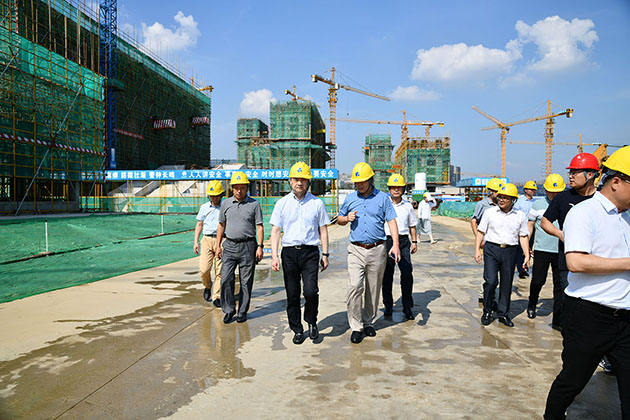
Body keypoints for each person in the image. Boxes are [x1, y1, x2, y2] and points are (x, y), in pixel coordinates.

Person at [543, 146, 630, 420]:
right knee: (573, 380)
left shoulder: (627, 217)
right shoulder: (584, 213)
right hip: (588, 316)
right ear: (616, 182)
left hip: (625, 318)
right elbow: (577, 263)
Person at [338, 162, 401, 344]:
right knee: (355, 286)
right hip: (356, 249)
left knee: (373, 288)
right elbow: (340, 219)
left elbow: (391, 222)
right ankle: (356, 326)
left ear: (370, 179)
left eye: (363, 181)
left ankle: (368, 322)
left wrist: (395, 244)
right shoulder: (350, 198)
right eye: (357, 182)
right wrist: (346, 218)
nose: (360, 185)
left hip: (377, 249)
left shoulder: (382, 198)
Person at [270, 162, 331, 345]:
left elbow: (323, 230)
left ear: (308, 182)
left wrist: (325, 254)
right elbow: (275, 231)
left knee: (311, 291)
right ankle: (296, 329)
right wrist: (274, 256)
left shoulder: (317, 203)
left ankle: (311, 321)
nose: (299, 183)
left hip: (310, 252)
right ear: (290, 181)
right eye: (296, 179)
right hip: (289, 253)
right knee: (293, 293)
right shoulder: (282, 204)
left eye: (303, 180)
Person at [541, 152, 598, 331]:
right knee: (569, 298)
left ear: (590, 175)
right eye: (570, 172)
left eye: (575, 172)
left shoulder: (601, 199)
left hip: (596, 259)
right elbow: (545, 221)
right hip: (567, 260)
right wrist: (560, 234)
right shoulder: (563, 198)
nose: (571, 176)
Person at [474, 183, 530, 327]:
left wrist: (527, 255)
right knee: (491, 281)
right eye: (500, 197)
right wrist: (477, 251)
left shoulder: (520, 216)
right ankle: (487, 311)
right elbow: (480, 232)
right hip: (491, 249)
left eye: (506, 198)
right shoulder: (490, 213)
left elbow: (523, 236)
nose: (502, 200)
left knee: (507, 283)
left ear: (513, 200)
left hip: (511, 251)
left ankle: (503, 314)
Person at [215, 171, 264, 324]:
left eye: (242, 188)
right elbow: (221, 225)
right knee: (226, 278)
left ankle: (242, 312)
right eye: (236, 188)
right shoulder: (226, 204)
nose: (239, 191)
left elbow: (259, 226)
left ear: (246, 188)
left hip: (248, 246)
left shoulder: (254, 204)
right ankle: (229, 310)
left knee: (245, 281)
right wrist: (218, 246)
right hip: (229, 245)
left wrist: (260, 246)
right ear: (232, 188)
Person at [526, 174, 565, 321]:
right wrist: (527, 246)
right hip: (542, 249)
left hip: (560, 250)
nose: (554, 195)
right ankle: (532, 303)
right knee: (537, 280)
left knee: (559, 284)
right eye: (551, 191)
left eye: (557, 192)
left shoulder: (565, 204)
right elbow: (530, 226)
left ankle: (558, 317)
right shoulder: (537, 205)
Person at [381, 173, 418, 320]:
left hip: (403, 242)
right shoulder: (384, 204)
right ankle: (388, 305)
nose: (396, 190)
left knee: (407, 274)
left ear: (403, 189)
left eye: (399, 187)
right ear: (389, 189)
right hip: (387, 241)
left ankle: (407, 307)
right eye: (393, 187)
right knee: (387, 276)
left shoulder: (408, 206)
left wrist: (414, 242)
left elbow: (412, 225)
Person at [471, 177, 504, 302]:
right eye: (496, 191)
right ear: (490, 191)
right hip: (488, 243)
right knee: (490, 273)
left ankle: (490, 296)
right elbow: (474, 220)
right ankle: (484, 295)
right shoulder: (482, 205)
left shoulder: (503, 204)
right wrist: (478, 239)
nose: (498, 194)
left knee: (499, 273)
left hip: (500, 242)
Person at [193, 180, 225, 307]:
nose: (214, 198)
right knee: (204, 269)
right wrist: (196, 241)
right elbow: (199, 224)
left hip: (222, 240)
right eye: (212, 196)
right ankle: (207, 286)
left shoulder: (225, 207)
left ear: (221, 195)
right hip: (206, 240)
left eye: (217, 195)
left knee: (220, 270)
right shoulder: (204, 208)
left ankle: (216, 296)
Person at [514, 180, 538, 279]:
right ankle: (521, 269)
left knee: (528, 249)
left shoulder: (535, 202)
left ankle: (525, 267)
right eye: (530, 189)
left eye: (534, 189)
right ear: (525, 190)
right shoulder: (520, 202)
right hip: (521, 229)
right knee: (520, 249)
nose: (532, 191)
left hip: (532, 228)